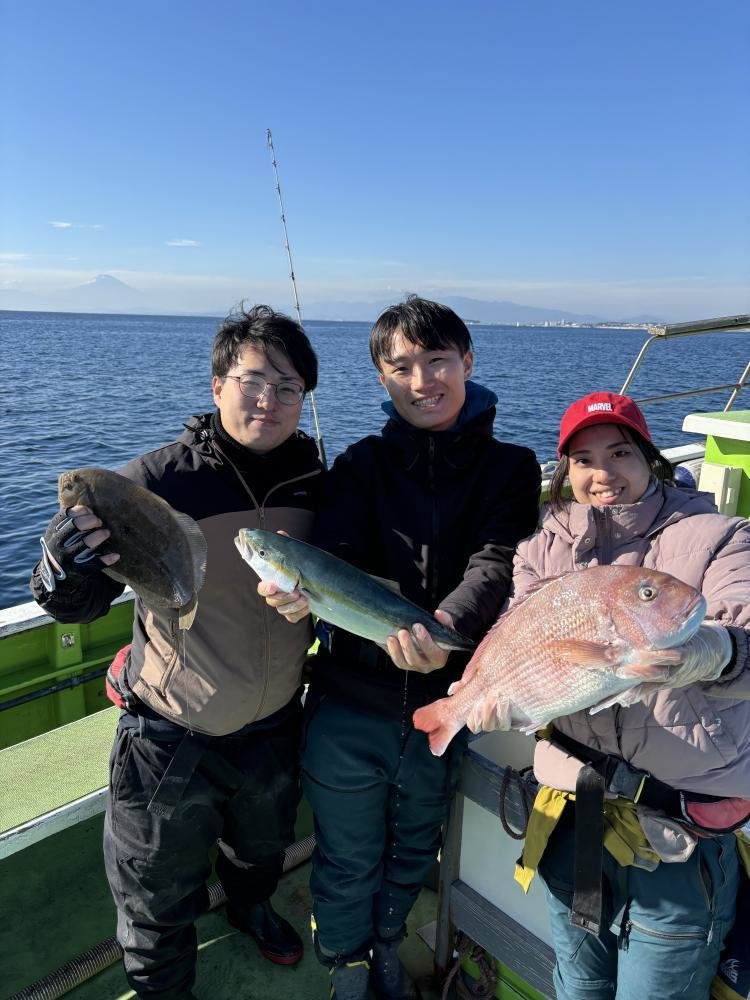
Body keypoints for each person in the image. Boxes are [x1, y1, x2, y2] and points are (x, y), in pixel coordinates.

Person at [30, 305, 325, 1000]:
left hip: (276, 725)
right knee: (154, 889)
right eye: (253, 381)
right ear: (218, 384)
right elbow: (76, 603)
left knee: (260, 850)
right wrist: (62, 568)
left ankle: (251, 907)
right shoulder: (155, 481)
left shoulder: (319, 481)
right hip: (170, 735)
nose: (270, 400)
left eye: (289, 387)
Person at [262, 296, 541, 999]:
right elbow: (338, 559)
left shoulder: (511, 467)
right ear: (381, 378)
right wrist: (300, 587)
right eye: (401, 367)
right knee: (346, 850)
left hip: (450, 701)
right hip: (351, 700)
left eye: (437, 361)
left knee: (416, 841)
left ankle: (388, 946)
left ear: (467, 362)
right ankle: (347, 965)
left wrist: (445, 628)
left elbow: (497, 560)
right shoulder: (359, 464)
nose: (422, 382)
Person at [510, 391, 750, 1000]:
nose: (603, 474)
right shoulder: (540, 549)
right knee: (578, 984)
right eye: (583, 460)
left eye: (619, 453)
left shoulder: (722, 536)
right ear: (565, 473)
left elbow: (744, 634)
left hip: (678, 835)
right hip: (572, 815)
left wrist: (709, 652)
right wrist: (501, 699)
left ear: (650, 457)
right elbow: (522, 650)